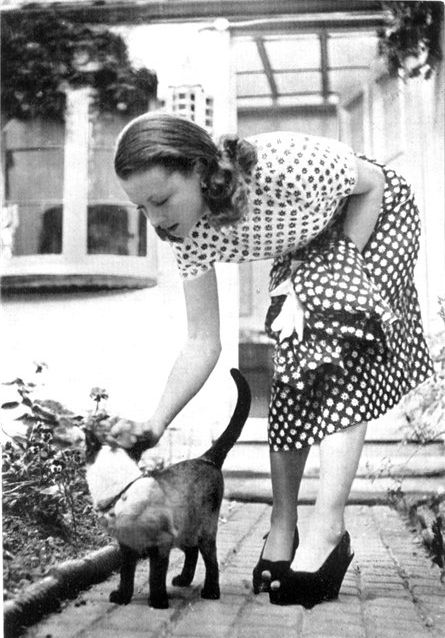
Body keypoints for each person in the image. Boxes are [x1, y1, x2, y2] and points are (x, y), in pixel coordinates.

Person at [109, 112, 434, 607]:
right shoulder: (187, 233)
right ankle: (283, 525)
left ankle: (329, 529)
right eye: (141, 209)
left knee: (331, 339)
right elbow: (202, 342)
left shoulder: (284, 164)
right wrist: (155, 423)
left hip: (374, 216)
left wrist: (328, 276)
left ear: (200, 170)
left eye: (160, 201)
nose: (155, 221)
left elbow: (370, 187)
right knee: (293, 373)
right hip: (306, 246)